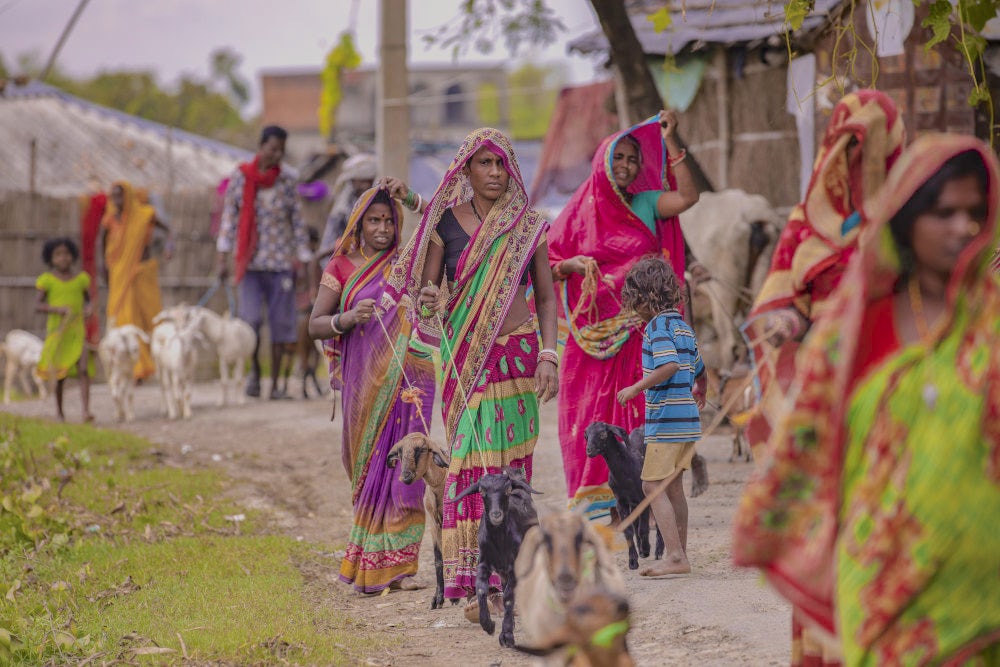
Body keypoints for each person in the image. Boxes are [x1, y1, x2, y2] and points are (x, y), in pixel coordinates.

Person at [732, 134, 1000, 665]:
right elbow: (809, 443)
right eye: (944, 213)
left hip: (982, 596)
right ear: (905, 220)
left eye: (976, 212)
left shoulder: (990, 323)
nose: (962, 229)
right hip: (881, 585)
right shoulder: (853, 329)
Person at [737, 90, 904, 667]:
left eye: (879, 143)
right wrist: (784, 321)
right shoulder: (807, 223)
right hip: (833, 413)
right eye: (856, 145)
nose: (867, 158)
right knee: (836, 541)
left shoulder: (918, 211)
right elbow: (779, 301)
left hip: (906, 407)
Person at [382, 128, 559, 615]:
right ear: (466, 169)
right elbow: (427, 291)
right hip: (466, 358)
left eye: (502, 164)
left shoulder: (528, 226)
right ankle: (475, 578)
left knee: (511, 468)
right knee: (471, 463)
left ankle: (514, 578)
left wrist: (549, 354)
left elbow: (545, 297)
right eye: (485, 164)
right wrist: (429, 299)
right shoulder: (445, 223)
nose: (495, 173)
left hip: (519, 357)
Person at [547, 109, 701, 517]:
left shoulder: (647, 204)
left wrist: (669, 141)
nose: (627, 166)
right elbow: (548, 261)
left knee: (640, 408)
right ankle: (597, 501)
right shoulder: (579, 211)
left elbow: (687, 198)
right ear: (603, 160)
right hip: (593, 339)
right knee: (591, 415)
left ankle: (642, 500)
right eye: (619, 157)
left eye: (633, 159)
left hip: (642, 334)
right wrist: (573, 266)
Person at [308, 186, 435, 593]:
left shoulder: (407, 262)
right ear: (359, 224)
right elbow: (315, 323)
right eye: (373, 221)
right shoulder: (342, 266)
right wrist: (346, 318)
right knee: (364, 468)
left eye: (388, 220)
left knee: (410, 461)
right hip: (363, 385)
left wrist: (413, 199)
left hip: (410, 377)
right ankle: (371, 556)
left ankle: (402, 565)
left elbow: (440, 221)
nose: (382, 228)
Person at [616, 256, 706, 576]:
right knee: (674, 488)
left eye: (635, 303)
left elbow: (670, 366)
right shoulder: (683, 326)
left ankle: (676, 557)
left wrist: (635, 388)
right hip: (687, 422)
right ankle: (679, 553)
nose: (635, 311)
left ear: (645, 298)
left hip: (666, 420)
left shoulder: (657, 327)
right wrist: (702, 392)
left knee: (651, 485)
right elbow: (698, 368)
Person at [216, 125, 314, 400]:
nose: (277, 154)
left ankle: (277, 386)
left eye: (281, 150)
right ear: (261, 147)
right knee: (250, 322)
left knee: (281, 323)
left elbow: (297, 222)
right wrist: (222, 256)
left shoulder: (287, 181)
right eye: (273, 148)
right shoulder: (241, 177)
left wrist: (304, 259)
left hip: (281, 263)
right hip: (250, 264)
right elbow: (230, 219)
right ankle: (255, 375)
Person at [101, 181, 173, 380]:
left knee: (150, 318)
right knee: (124, 320)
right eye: (113, 195)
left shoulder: (144, 215)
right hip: (119, 275)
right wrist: (104, 270)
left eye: (120, 195)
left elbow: (167, 230)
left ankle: (154, 363)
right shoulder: (109, 220)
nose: (117, 200)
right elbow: (103, 245)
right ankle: (133, 369)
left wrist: (168, 247)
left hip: (142, 274)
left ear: (129, 196)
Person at [36, 237, 92, 422]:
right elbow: (38, 305)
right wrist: (57, 309)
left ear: (73, 256)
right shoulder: (47, 281)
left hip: (77, 331)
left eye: (66, 254)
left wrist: (88, 309)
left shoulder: (81, 280)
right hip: (59, 332)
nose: (63, 258)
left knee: (83, 369)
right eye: (58, 255)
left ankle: (85, 411)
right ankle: (60, 412)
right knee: (61, 374)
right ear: (51, 258)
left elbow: (88, 301)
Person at [316, 153, 377, 267]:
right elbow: (331, 237)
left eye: (368, 181)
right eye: (361, 181)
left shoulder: (378, 203)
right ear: (352, 181)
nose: (365, 185)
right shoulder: (343, 207)